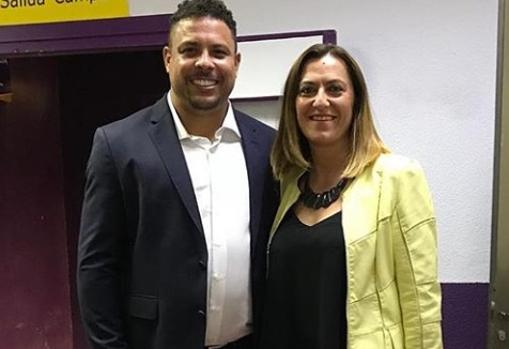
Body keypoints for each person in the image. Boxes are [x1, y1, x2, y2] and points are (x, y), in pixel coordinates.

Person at [77, 1, 277, 348]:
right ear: (168, 58)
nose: (205, 63)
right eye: (190, 50)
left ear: (236, 62)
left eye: (218, 51)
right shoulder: (118, 145)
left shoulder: (267, 146)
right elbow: (97, 268)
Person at [259, 44, 443, 349]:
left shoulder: (397, 177)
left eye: (334, 89)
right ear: (294, 104)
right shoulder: (287, 185)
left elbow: (421, 301)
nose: (320, 101)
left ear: (355, 101)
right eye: (307, 90)